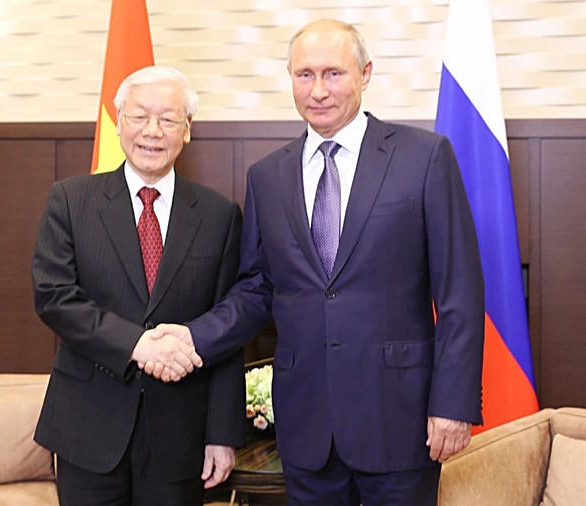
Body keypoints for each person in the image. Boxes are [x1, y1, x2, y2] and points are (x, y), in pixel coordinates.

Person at [153, 18, 485, 505]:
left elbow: (459, 292)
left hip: (400, 418)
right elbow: (258, 289)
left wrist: (452, 404)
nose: (319, 90)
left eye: (334, 73)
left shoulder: (424, 157)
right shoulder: (267, 176)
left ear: (365, 74)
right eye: (304, 75)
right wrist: (191, 335)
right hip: (308, 426)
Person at [31, 65, 245, 506]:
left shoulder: (219, 216)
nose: (152, 131)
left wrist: (222, 434)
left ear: (187, 131)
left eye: (168, 119)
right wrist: (137, 345)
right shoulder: (70, 200)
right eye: (139, 116)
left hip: (180, 435)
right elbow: (54, 297)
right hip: (87, 427)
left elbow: (228, 328)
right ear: (118, 122)